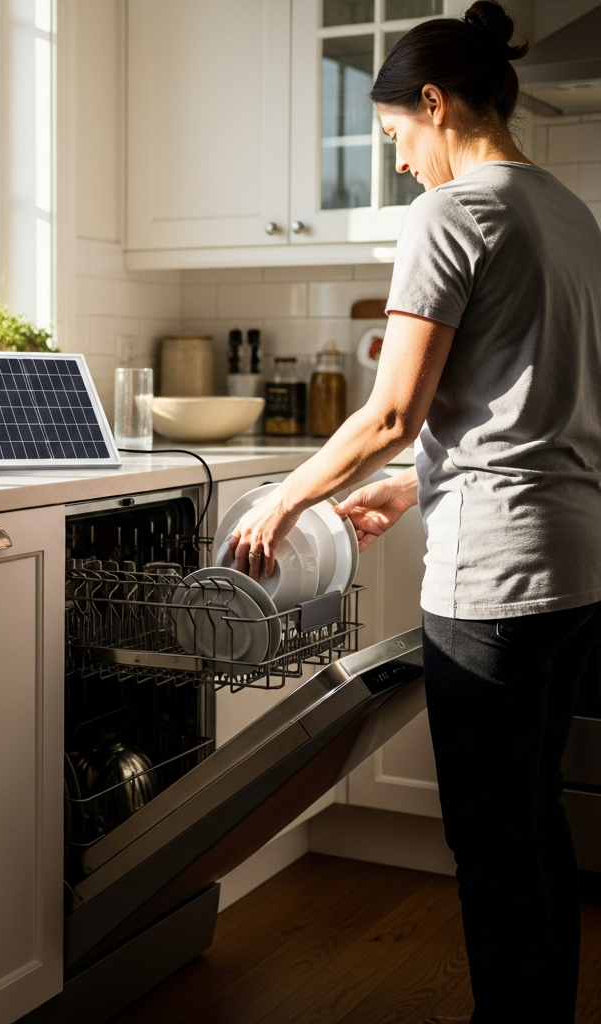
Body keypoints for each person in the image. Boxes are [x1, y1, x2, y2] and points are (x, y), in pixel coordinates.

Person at [227, 3, 601, 1022]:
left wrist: (283, 497)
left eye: (394, 132)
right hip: (574, 565)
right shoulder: (567, 213)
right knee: (533, 818)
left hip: (496, 577)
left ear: (433, 104)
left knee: (489, 836)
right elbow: (525, 401)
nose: (396, 161)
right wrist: (411, 485)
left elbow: (393, 409)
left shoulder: (453, 211)